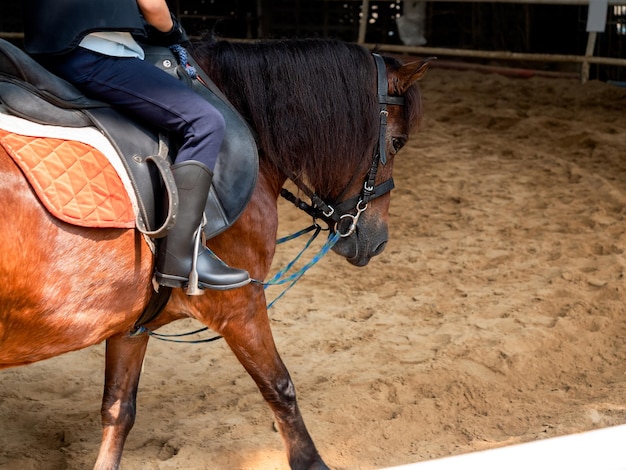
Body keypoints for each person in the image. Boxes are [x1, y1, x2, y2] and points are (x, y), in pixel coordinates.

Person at [22, 0, 250, 294]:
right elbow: (153, 7)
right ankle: (180, 258)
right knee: (205, 122)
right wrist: (174, 33)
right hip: (102, 55)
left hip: (50, 56)